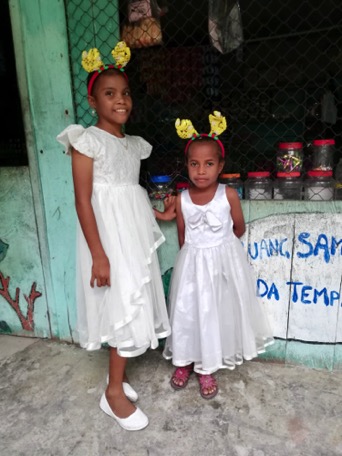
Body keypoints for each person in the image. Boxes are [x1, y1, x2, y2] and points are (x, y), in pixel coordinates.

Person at [57, 42, 175, 431]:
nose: (120, 100)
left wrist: (158, 214)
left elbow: (131, 193)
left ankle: (117, 378)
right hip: (106, 239)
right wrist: (98, 254)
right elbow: (83, 200)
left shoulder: (131, 146)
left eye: (125, 93)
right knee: (121, 302)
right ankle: (112, 395)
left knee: (131, 300)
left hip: (132, 235)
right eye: (110, 93)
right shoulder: (85, 141)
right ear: (93, 100)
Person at [163, 112, 274, 399]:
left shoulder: (229, 196)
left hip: (221, 265)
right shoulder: (182, 199)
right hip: (191, 266)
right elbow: (182, 237)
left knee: (212, 314)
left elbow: (238, 228)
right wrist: (197, 254)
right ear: (187, 165)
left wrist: (220, 251)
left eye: (209, 164)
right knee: (188, 314)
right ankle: (183, 362)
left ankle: (206, 368)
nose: (201, 171)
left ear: (220, 165)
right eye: (194, 164)